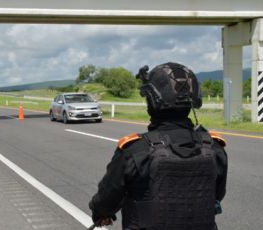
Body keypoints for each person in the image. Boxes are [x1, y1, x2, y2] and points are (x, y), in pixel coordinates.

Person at [89, 62, 228, 230]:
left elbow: (107, 198)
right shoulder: (214, 147)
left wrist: (101, 213)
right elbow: (217, 195)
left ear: (152, 102)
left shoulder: (136, 150)